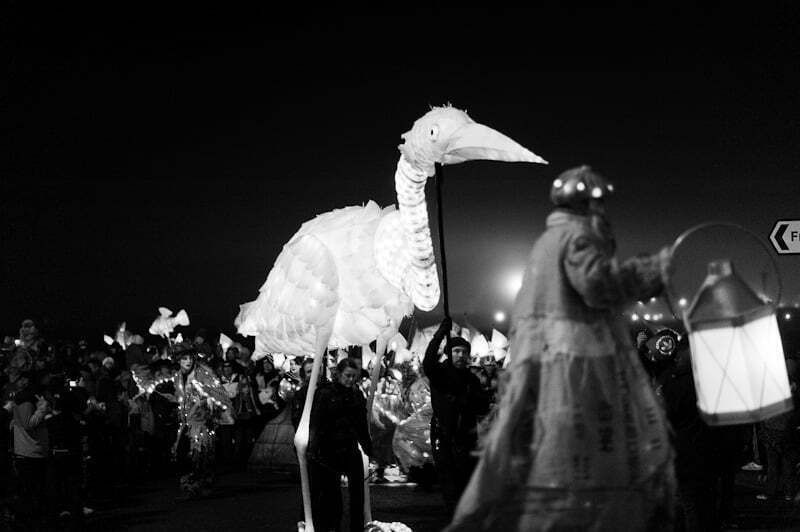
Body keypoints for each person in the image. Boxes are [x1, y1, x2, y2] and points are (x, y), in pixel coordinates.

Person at [446, 165, 674, 531]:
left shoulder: (546, 241)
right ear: (588, 205)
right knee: (585, 445)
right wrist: (650, 274)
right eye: (599, 205)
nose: (603, 213)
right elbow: (597, 286)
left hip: (542, 359)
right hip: (576, 362)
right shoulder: (578, 236)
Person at [424, 317, 490, 517]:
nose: (461, 356)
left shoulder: (471, 379)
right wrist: (439, 335)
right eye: (456, 352)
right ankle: (454, 515)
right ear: (449, 354)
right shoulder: (440, 374)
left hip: (467, 435)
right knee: (449, 478)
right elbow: (428, 361)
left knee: (466, 477)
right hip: (443, 435)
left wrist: (468, 400)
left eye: (464, 352)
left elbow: (482, 406)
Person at [307, 357, 373, 532]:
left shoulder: (356, 394)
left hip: (350, 446)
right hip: (329, 449)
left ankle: (356, 528)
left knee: (357, 494)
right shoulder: (326, 393)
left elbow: (361, 424)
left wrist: (368, 447)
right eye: (347, 376)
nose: (350, 380)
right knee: (332, 495)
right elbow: (316, 422)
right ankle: (333, 527)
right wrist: (312, 449)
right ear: (339, 374)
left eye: (354, 376)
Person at [170, 348, 233, 500]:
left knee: (200, 455)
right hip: (186, 422)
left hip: (201, 422)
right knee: (183, 454)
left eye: (190, 358)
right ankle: (190, 486)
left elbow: (216, 395)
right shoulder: (178, 376)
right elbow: (180, 397)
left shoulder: (202, 374)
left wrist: (205, 401)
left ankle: (200, 485)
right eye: (184, 358)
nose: (188, 361)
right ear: (179, 360)